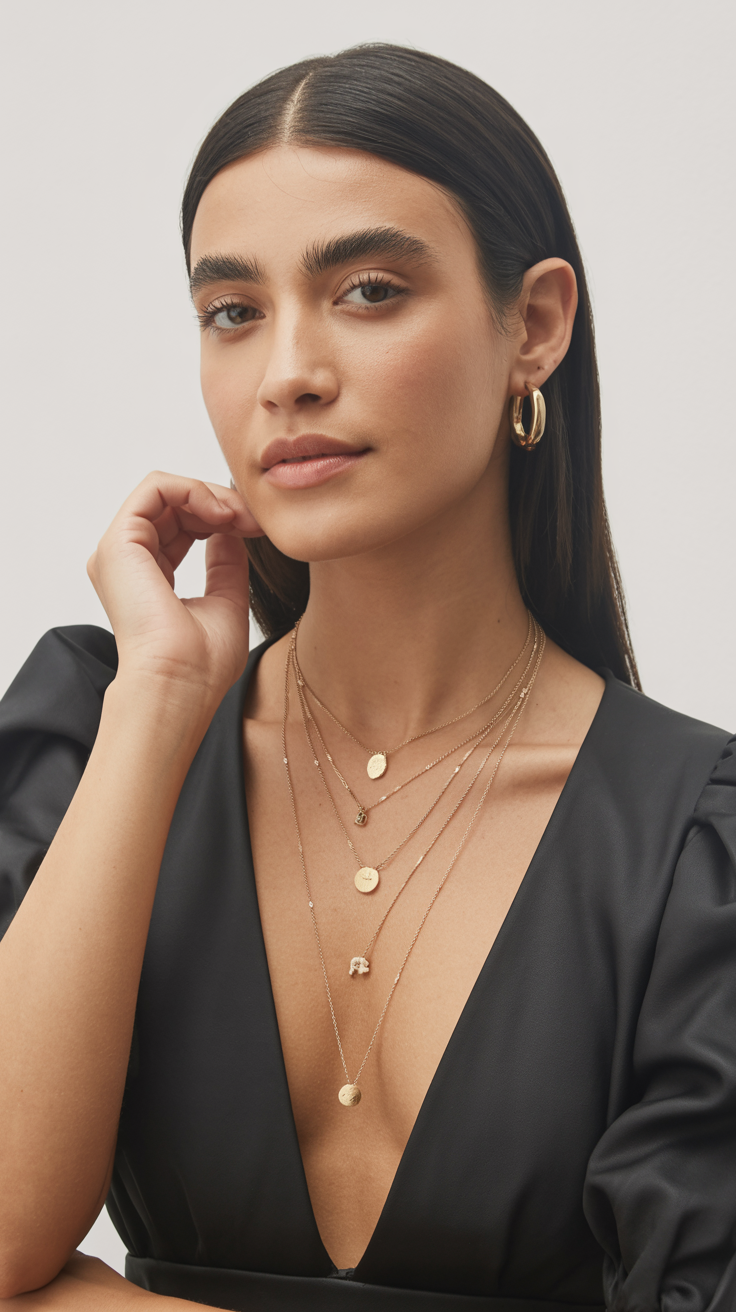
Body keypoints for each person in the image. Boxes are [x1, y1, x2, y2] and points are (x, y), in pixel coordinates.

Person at [0, 42, 734, 1312]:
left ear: (535, 325)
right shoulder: (95, 737)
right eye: (233, 311)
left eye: (370, 289)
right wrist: (158, 706)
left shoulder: (694, 839)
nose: (286, 370)